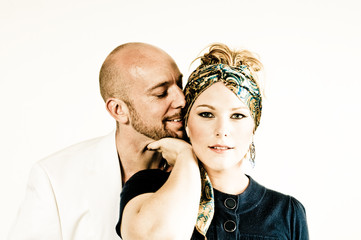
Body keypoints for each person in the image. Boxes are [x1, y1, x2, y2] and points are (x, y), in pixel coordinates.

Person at [117, 43, 309, 239]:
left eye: (238, 116)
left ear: (254, 126)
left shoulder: (287, 212)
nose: (222, 131)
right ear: (187, 123)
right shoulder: (147, 187)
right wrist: (185, 157)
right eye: (207, 114)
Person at [8, 42, 186, 240]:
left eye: (180, 84)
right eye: (161, 93)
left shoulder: (208, 163)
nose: (181, 100)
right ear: (118, 110)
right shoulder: (53, 178)